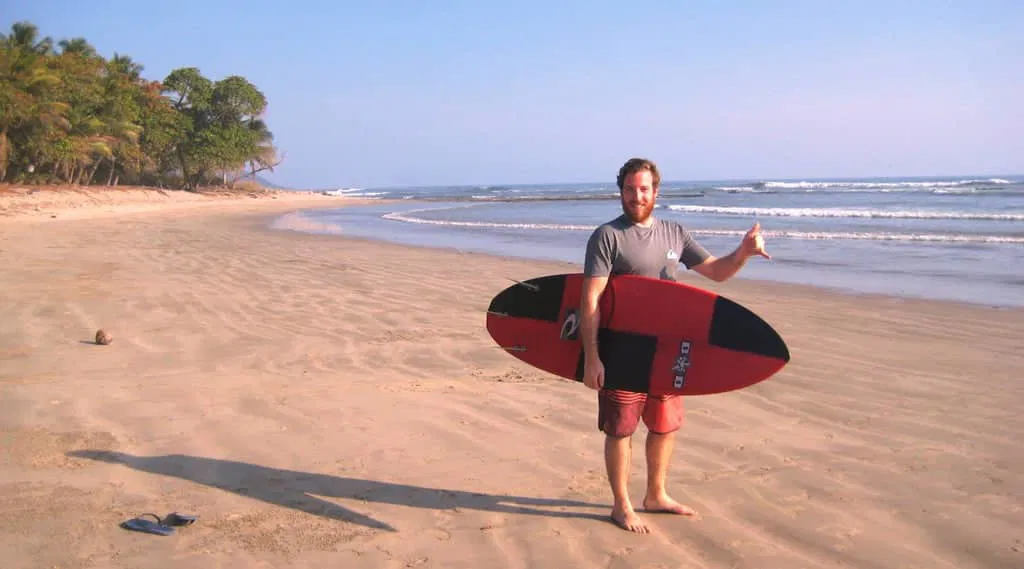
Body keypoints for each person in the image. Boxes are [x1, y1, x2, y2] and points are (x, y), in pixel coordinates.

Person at [579, 157, 770, 533]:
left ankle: (656, 494)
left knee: (665, 426)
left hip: (667, 349)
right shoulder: (607, 237)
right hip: (623, 348)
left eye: (644, 189)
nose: (638, 196)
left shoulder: (674, 233)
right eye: (631, 189)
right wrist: (592, 358)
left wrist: (743, 253)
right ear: (621, 192)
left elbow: (716, 272)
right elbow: (590, 301)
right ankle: (621, 505)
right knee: (620, 428)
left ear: (656, 192)